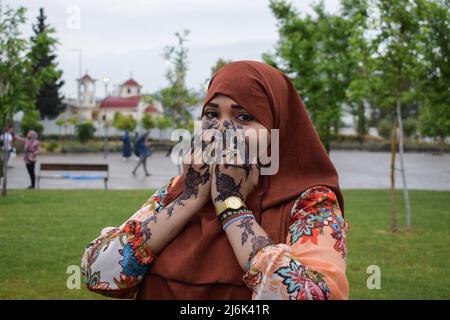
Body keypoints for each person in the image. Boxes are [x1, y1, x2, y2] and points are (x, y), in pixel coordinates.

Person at [81, 61, 349, 300]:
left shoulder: (311, 202)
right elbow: (100, 273)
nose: (222, 128)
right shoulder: (179, 189)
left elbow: (314, 295)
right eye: (211, 115)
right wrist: (190, 198)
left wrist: (230, 204)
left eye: (243, 117)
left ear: (277, 130)